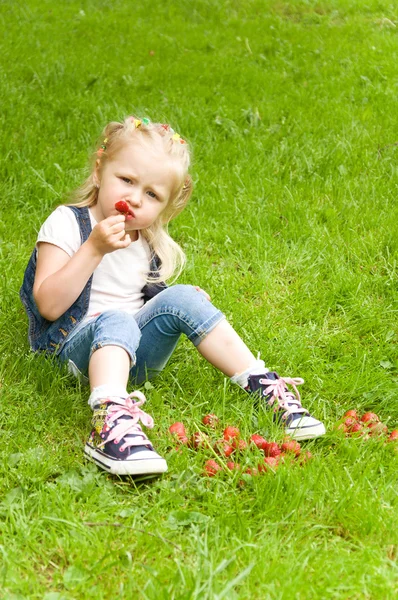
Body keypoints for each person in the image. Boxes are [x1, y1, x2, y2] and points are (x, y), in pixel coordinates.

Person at [20, 116, 325, 477]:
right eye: (127, 181)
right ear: (100, 170)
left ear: (165, 205)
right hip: (71, 351)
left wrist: (177, 301)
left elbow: (144, 306)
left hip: (134, 355)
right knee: (115, 318)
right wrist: (93, 249)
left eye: (152, 195)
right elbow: (49, 305)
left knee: (182, 296)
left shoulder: (146, 241)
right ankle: (109, 421)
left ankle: (263, 386)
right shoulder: (68, 222)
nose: (135, 199)